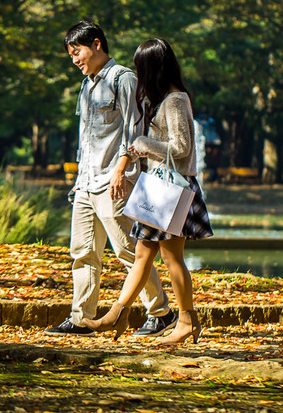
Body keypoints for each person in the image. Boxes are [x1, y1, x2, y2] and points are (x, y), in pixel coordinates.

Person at [45, 22, 175, 337]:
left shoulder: (123, 79)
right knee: (83, 252)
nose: (74, 60)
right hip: (86, 183)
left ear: (97, 44)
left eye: (77, 52)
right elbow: (87, 139)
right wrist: (79, 180)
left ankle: (161, 313)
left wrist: (121, 170)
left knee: (129, 251)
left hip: (114, 182)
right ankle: (81, 318)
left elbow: (135, 130)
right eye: (70, 55)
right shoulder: (86, 85)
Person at [84, 38, 213, 347]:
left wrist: (144, 145)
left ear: (153, 68)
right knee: (143, 254)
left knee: (171, 258)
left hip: (171, 187)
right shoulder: (163, 100)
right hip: (157, 186)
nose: (139, 75)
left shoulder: (176, 100)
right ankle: (118, 314)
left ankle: (186, 321)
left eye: (141, 67)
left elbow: (182, 148)